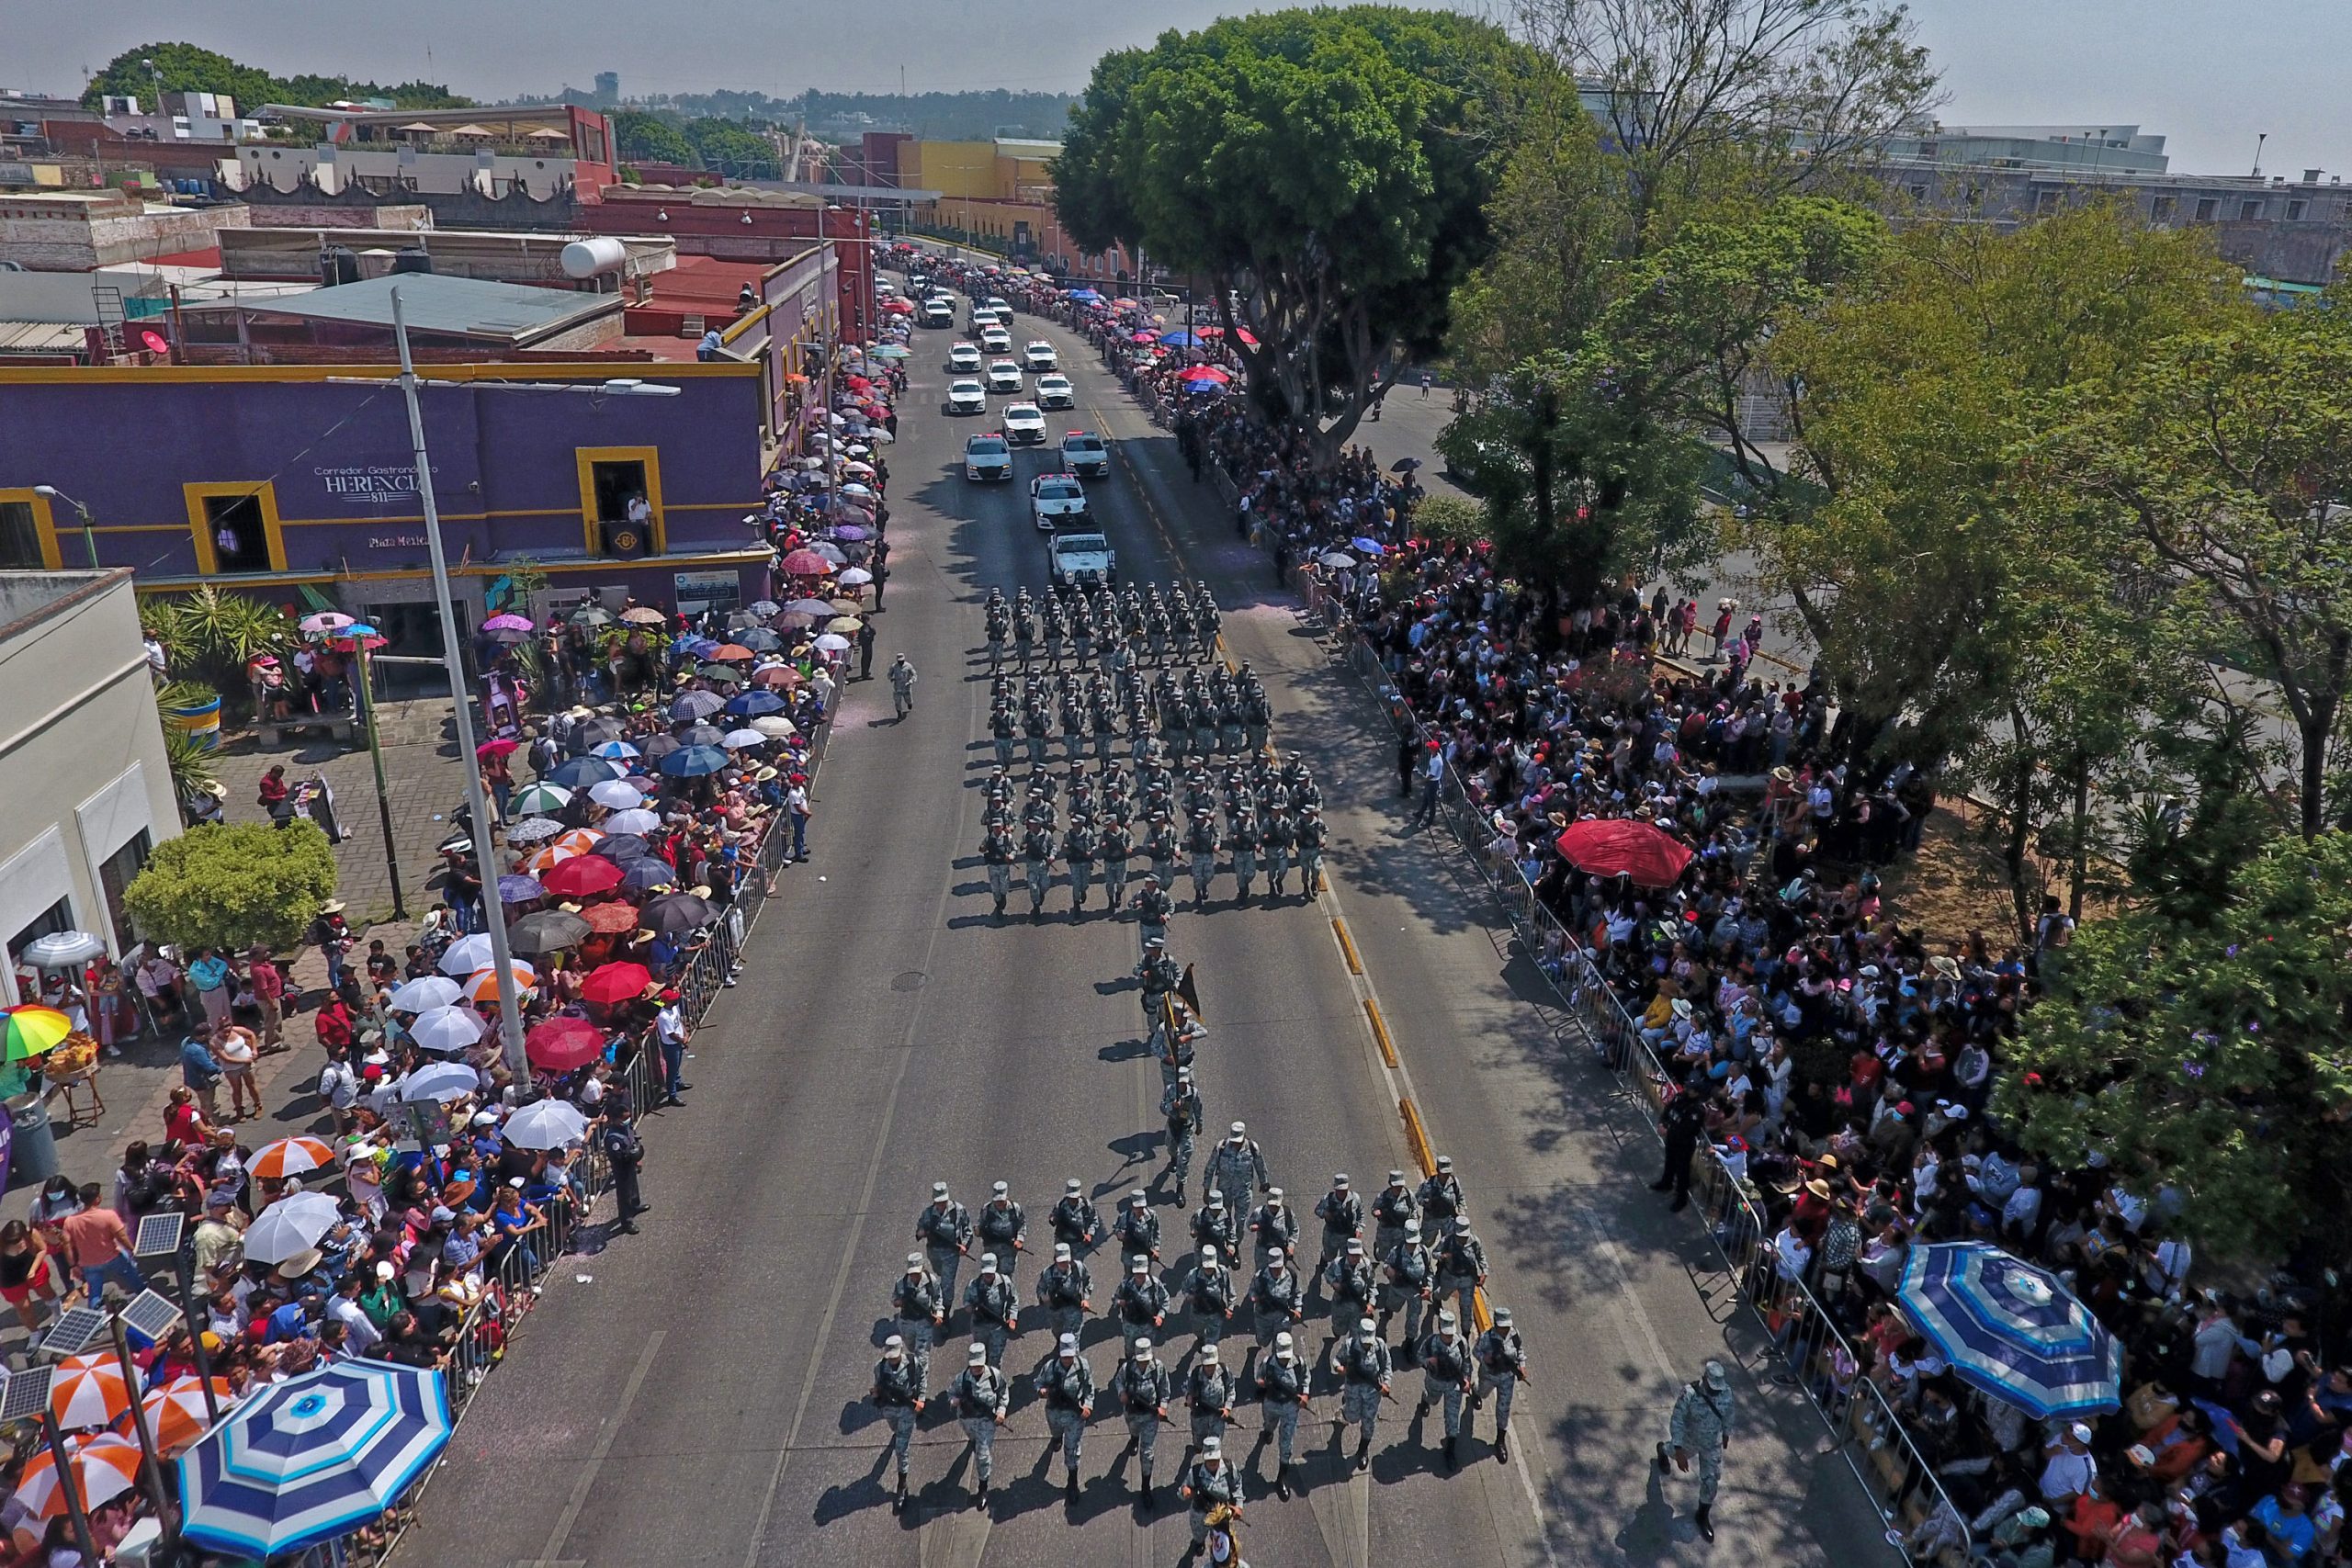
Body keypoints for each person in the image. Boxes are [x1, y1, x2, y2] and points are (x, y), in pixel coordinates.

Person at [1658, 1359, 1736, 1541]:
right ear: (1704, 1379)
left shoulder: (1726, 1393)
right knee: (1671, 1450)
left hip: (1712, 1444)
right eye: (1712, 1387)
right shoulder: (1689, 1393)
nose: (1715, 1391)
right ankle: (1663, 1450)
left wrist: (1726, 1432)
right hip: (1689, 1440)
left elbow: (1729, 1413)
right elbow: (1677, 1420)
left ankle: (1702, 1515)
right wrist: (1678, 1450)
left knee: (1711, 1481)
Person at [949, 1341, 1010, 1508]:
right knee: (973, 1440)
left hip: (986, 1421)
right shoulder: (962, 1378)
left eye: (979, 1366)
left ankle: (983, 1488)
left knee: (982, 1455)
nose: (976, 1369)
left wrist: (1001, 1411)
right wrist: (954, 1401)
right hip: (967, 1420)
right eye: (973, 1366)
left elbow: (1003, 1393)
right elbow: (952, 1392)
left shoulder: (994, 1376)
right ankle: (973, 1441)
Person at [1036, 1331, 1095, 1504]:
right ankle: (1056, 1438)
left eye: (1070, 1356)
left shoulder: (1082, 1366)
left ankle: (1072, 1481)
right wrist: (1042, 1391)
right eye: (1065, 1357)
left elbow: (1089, 1389)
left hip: (1074, 1416)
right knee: (1056, 1434)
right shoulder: (1051, 1367)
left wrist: (1088, 1407)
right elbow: (1038, 1383)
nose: (1067, 1360)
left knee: (1072, 1448)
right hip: (1054, 1412)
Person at [1114, 1337, 1174, 1502]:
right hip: (1132, 1413)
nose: (1143, 1363)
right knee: (1133, 1431)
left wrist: (1163, 1406)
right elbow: (1118, 1381)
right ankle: (1134, 1438)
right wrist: (1121, 1393)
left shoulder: (1158, 1368)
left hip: (1150, 1416)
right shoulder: (1127, 1368)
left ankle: (1146, 1486)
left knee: (1147, 1453)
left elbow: (1164, 1389)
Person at [1414, 1307, 1475, 1472]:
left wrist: (1467, 1380)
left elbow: (1467, 1363)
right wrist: (1429, 1362)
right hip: (1435, 1382)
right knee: (1432, 1400)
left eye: (1450, 1333)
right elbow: (1419, 1357)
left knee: (1452, 1420)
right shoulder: (1431, 1342)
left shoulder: (1461, 1342)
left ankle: (1449, 1451)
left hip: (1453, 1385)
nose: (1448, 1336)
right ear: (1439, 1329)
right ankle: (1424, 1400)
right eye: (1445, 1333)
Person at [1333, 1314, 1392, 1472]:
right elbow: (1337, 1360)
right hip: (1353, 1389)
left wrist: (1386, 1384)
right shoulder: (1350, 1345)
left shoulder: (1379, 1346)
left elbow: (1387, 1366)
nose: (1367, 1345)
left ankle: (1363, 1450)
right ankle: (1343, 1410)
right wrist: (1339, 1368)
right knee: (1352, 1417)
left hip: (1373, 1393)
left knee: (1368, 1423)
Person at [872, 1334, 923, 1510]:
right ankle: (897, 1436)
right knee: (894, 1430)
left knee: (901, 1449)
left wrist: (921, 1400)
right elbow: (878, 1385)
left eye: (895, 1356)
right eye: (890, 1357)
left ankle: (902, 1485)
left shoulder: (912, 1364)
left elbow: (921, 1380)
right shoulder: (879, 1367)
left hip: (906, 1410)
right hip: (889, 1409)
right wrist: (876, 1393)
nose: (892, 1360)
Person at [1472, 1304, 1529, 1462]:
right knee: (1482, 1392)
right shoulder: (1486, 1337)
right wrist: (1485, 1358)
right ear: (1496, 1324)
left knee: (1503, 1408)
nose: (1505, 1330)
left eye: (1507, 1326)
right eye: (1502, 1327)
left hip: (1507, 1378)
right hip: (1489, 1375)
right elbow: (1475, 1351)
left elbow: (1520, 1351)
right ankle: (1475, 1391)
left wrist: (1522, 1367)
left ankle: (1500, 1441)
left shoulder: (1514, 1334)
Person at [1179, 1436, 1242, 1563]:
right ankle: (1199, 1543)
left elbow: (1237, 1486)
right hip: (1200, 1513)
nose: (1213, 1462)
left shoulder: (1229, 1468)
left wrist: (1239, 1506)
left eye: (1215, 1459)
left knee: (1221, 1544)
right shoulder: (1195, 1472)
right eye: (1209, 1459)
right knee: (1198, 1534)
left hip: (1221, 1514)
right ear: (1204, 1458)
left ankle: (1217, 1559)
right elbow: (1181, 1492)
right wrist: (1184, 1492)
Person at [602, 1100, 644, 1234]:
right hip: (622, 1168)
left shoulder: (625, 1126)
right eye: (625, 1118)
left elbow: (632, 1136)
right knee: (624, 1193)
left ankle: (635, 1206)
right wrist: (631, 1156)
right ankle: (626, 1221)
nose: (628, 1120)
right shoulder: (612, 1138)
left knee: (633, 1186)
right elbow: (617, 1156)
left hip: (631, 1163)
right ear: (616, 1119)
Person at [653, 988, 690, 1105]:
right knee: (672, 1070)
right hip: (671, 1046)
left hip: (678, 1042)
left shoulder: (674, 1008)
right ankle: (672, 1095)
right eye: (673, 998)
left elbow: (679, 1021)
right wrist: (683, 1040)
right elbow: (671, 1034)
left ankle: (677, 1083)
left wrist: (685, 1033)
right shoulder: (663, 1016)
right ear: (667, 1001)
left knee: (677, 1065)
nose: (676, 999)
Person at [888, 652, 917, 717]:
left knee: (908, 699)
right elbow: (889, 674)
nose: (901, 662)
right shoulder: (894, 667)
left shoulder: (908, 666)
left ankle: (909, 703)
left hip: (906, 686)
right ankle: (899, 714)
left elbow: (914, 675)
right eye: (899, 661)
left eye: (902, 661)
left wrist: (911, 681)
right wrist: (891, 678)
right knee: (897, 701)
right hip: (897, 687)